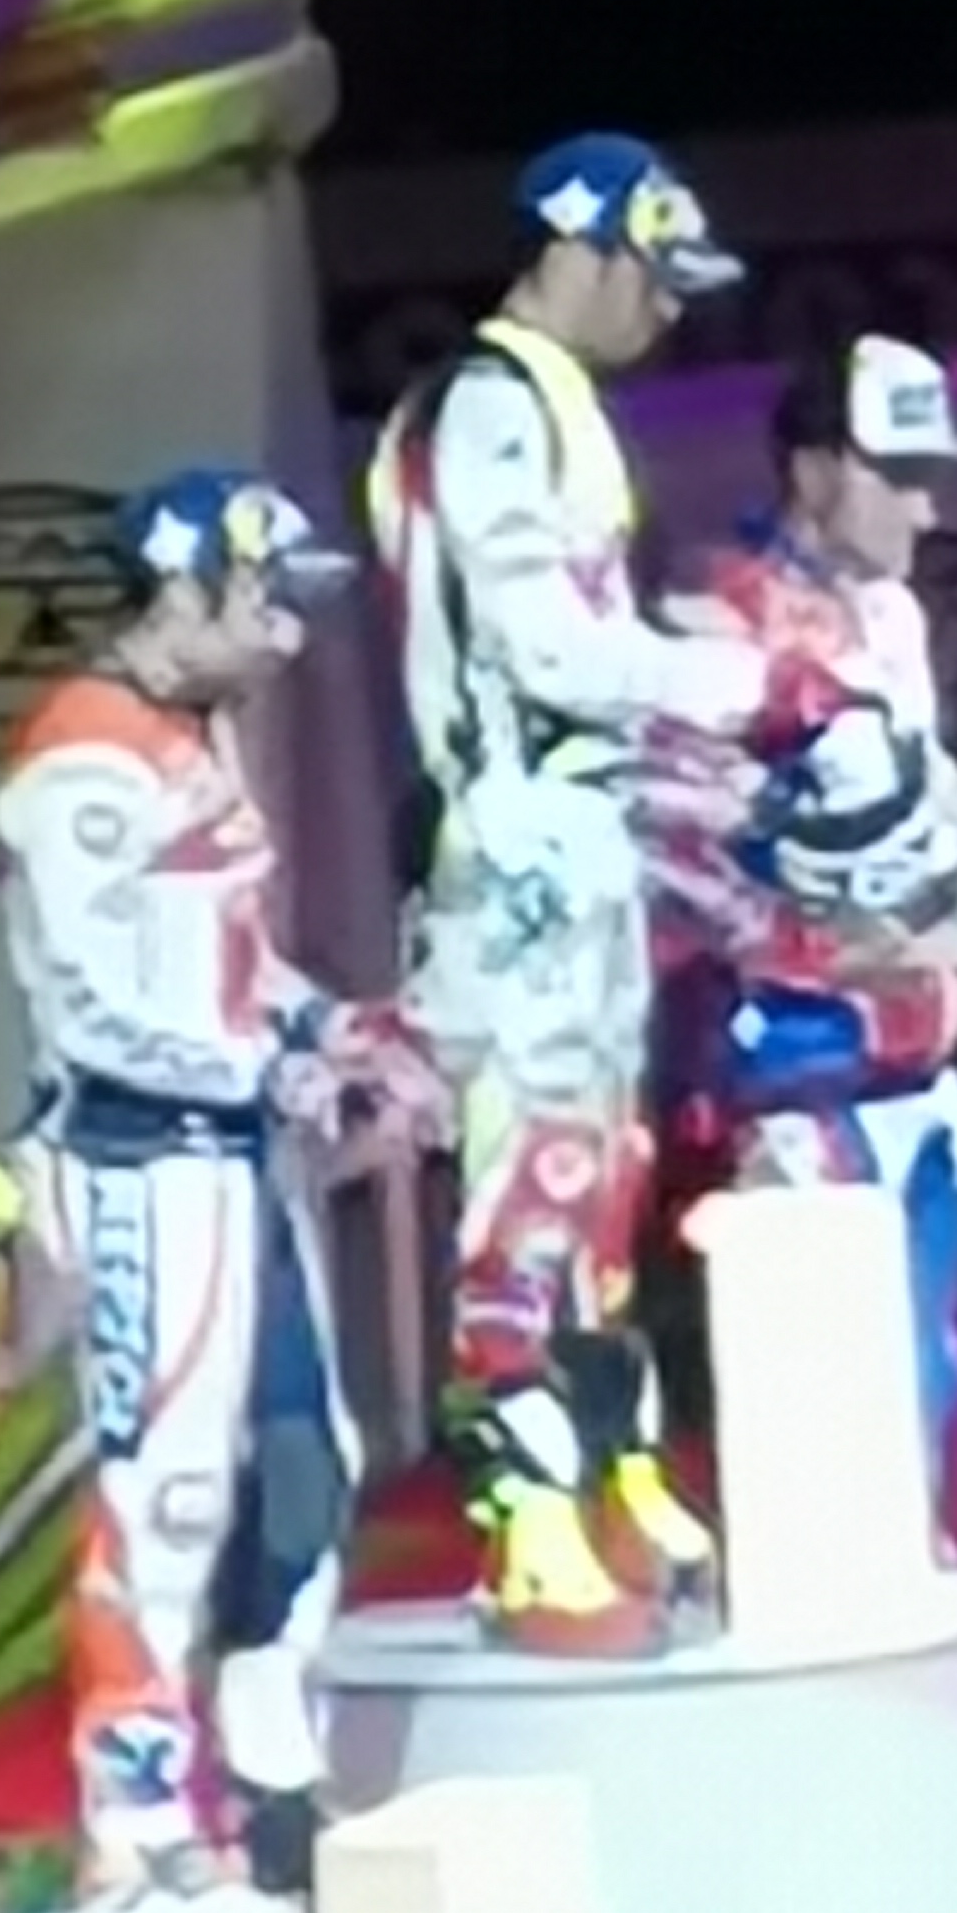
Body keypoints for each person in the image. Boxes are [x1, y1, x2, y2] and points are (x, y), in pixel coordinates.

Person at [367, 132, 847, 1658]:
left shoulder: (551, 404)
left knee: (606, 1184)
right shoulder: (488, 409)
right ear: (581, 249)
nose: (669, 309)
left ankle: (613, 1474)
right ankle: (524, 1521)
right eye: (655, 275)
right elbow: (548, 651)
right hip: (513, 842)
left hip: (576, 837)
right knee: (529, 1187)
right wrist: (739, 680)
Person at [0, 469, 438, 1913]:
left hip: (245, 1164)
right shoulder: (79, 763)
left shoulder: (196, 737)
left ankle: (265, 1790)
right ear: (181, 591)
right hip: (138, 1169)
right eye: (263, 600)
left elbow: (234, 964)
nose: (287, 634)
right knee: (166, 1504)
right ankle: (134, 1850)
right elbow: (100, 1013)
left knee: (309, 1469)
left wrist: (343, 1031)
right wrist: (281, 1067)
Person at [653, 336, 957, 1486]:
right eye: (900, 474)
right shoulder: (715, 611)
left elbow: (931, 806)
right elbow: (678, 844)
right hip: (796, 1069)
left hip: (919, 1052)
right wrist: (820, 925)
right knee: (825, 1406)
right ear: (813, 467)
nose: (926, 505)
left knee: (928, 1384)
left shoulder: (893, 616)